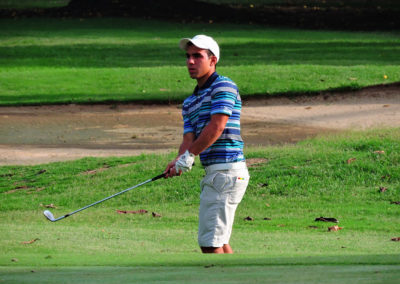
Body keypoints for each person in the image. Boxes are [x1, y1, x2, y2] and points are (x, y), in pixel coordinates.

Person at [164, 35, 250, 254]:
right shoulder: (190, 101)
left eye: (197, 56)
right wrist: (178, 160)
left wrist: (190, 156)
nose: (190, 62)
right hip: (216, 174)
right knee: (219, 242)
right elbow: (188, 138)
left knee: (209, 244)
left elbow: (217, 126)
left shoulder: (224, 86)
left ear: (213, 60)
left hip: (227, 172)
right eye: (188, 56)